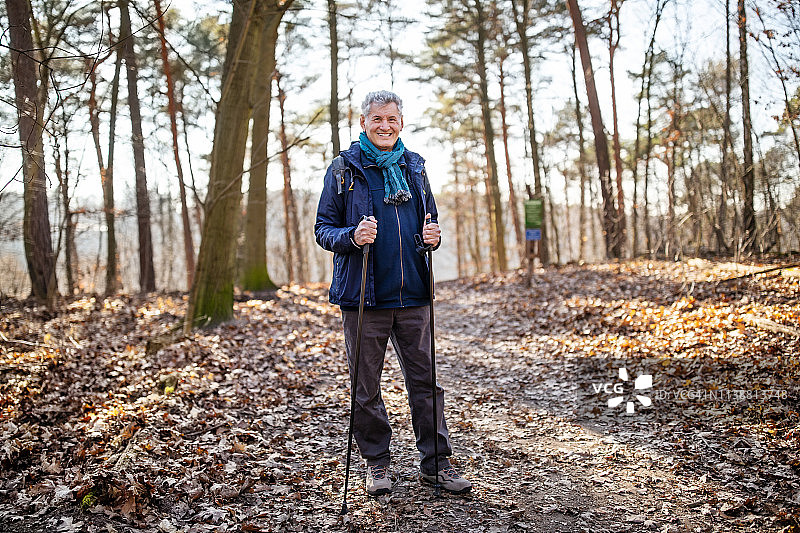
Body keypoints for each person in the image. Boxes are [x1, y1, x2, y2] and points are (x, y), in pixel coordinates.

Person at [314, 90, 471, 496]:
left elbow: (427, 222)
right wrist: (352, 235)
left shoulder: (415, 168)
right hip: (364, 299)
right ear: (363, 122)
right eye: (377, 119)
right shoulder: (344, 169)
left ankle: (436, 463)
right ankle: (377, 464)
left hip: (414, 295)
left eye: (392, 119)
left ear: (401, 122)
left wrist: (431, 238)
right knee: (365, 386)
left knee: (427, 383)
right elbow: (323, 229)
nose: (385, 126)